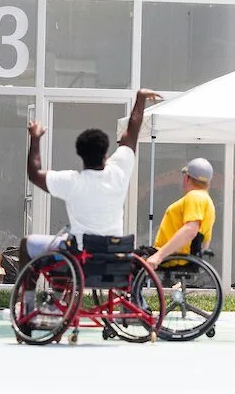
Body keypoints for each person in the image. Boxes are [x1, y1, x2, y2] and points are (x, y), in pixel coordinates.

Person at [21, 88, 162, 265]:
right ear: (105, 152)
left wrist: (35, 139)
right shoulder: (119, 171)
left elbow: (34, 174)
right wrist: (140, 98)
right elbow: (132, 131)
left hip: (79, 255)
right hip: (112, 252)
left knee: (27, 243)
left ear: (80, 155)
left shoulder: (72, 182)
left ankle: (29, 294)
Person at [147, 158, 216, 267]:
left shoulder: (195, 196)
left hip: (172, 256)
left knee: (126, 262)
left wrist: (159, 256)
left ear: (187, 178)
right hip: (178, 255)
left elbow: (190, 230)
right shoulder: (206, 200)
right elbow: (205, 242)